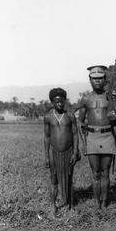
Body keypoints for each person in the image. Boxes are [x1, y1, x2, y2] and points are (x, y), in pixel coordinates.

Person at [78, 65, 116, 209]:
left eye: (100, 78)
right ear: (90, 79)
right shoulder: (85, 99)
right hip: (92, 137)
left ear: (104, 79)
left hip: (107, 136)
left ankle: (104, 203)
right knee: (95, 172)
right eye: (94, 79)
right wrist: (84, 139)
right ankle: (97, 203)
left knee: (105, 172)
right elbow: (80, 121)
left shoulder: (111, 97)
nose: (97, 81)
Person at [44, 88, 79, 218]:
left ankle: (70, 205)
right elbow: (47, 137)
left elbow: (75, 134)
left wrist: (75, 151)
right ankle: (53, 206)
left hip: (68, 152)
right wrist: (47, 156)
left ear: (65, 101)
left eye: (61, 101)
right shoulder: (48, 117)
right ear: (52, 102)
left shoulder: (70, 116)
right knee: (54, 179)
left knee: (69, 178)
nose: (59, 104)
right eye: (56, 102)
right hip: (54, 153)